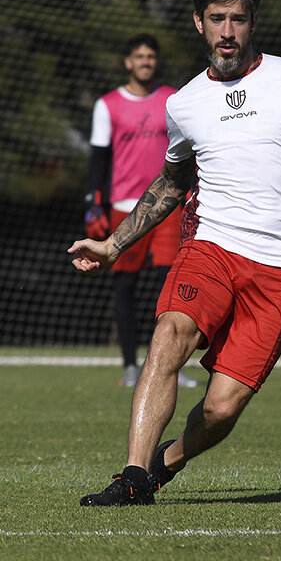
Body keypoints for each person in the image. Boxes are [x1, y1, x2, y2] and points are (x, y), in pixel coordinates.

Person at [70, 0, 281, 506]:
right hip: (210, 246)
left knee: (220, 409)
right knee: (168, 335)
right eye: (216, 19)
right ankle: (132, 476)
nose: (227, 32)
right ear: (198, 23)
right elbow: (172, 181)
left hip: (280, 266)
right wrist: (114, 244)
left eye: (237, 18)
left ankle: (161, 466)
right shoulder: (182, 103)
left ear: (253, 21)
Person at [85, 33, 198, 389]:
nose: (146, 61)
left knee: (168, 288)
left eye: (151, 56)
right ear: (128, 62)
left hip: (166, 209)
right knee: (125, 288)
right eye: (140, 56)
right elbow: (98, 160)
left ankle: (169, 367)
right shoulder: (108, 105)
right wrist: (93, 204)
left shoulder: (172, 100)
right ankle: (131, 367)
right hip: (123, 208)